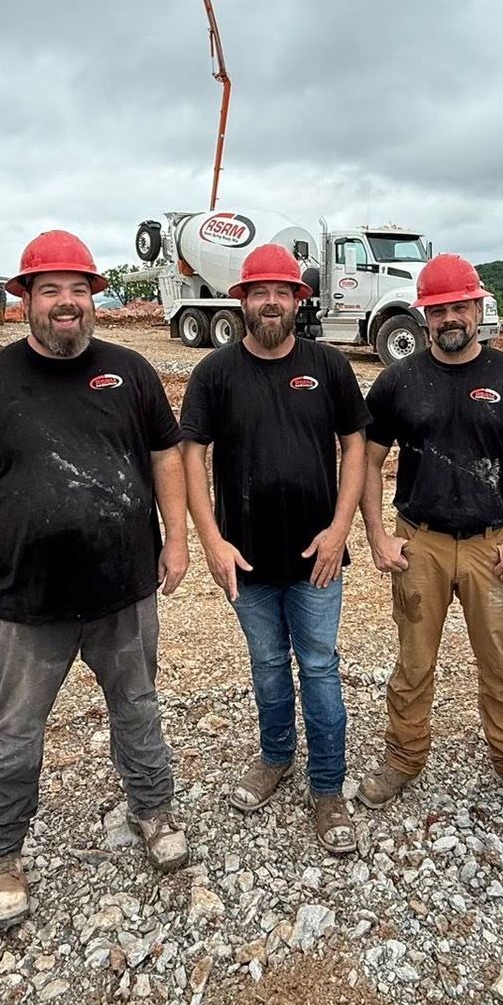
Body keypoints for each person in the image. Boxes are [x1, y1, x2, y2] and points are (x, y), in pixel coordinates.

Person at [0, 229, 191, 929]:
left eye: (78, 289)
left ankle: (153, 809)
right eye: (51, 289)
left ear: (93, 299)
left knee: (137, 708)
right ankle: (0, 854)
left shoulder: (130, 371)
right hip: (28, 601)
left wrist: (178, 541)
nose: (67, 302)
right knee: (15, 730)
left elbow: (168, 456)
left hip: (124, 588)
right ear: (25, 300)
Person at [356, 253, 503, 820]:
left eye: (458, 306)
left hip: (492, 546)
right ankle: (403, 759)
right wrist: (377, 535)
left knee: (499, 663)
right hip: (418, 542)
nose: (449, 317)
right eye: (438, 309)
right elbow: (366, 462)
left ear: (477, 307)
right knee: (413, 661)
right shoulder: (397, 381)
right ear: (424, 316)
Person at [179, 242, 368, 856]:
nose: (269, 302)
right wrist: (211, 541)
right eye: (258, 292)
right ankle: (276, 756)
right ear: (242, 300)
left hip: (318, 555)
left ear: (297, 300)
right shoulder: (215, 373)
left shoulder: (329, 366)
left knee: (318, 667)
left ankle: (329, 788)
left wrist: (342, 529)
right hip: (248, 559)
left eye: (281, 292)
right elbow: (192, 457)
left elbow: (357, 447)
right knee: (266, 665)